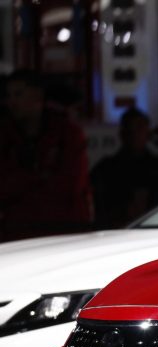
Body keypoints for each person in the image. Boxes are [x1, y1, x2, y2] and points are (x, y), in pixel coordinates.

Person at [0, 69, 92, 241]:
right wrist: (40, 179)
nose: (11, 102)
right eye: (8, 96)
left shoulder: (67, 134)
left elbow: (70, 184)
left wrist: (24, 183)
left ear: (37, 96)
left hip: (65, 231)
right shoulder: (5, 137)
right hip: (18, 233)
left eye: (18, 94)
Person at [90, 108, 158, 229]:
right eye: (130, 129)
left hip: (154, 229)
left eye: (139, 128)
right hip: (116, 230)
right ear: (122, 134)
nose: (134, 134)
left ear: (148, 133)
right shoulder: (107, 169)